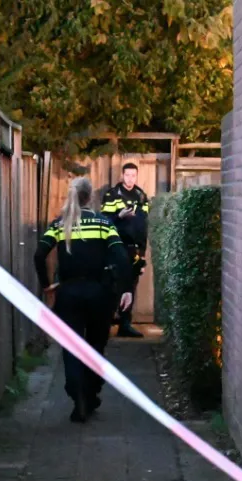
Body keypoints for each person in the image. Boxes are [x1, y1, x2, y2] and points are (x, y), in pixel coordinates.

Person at [34, 177, 134, 423]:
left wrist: (47, 286)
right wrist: (125, 289)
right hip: (100, 294)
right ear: (91, 197)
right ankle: (90, 394)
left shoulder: (60, 224)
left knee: (71, 347)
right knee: (96, 347)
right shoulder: (103, 223)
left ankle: (77, 393)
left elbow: (39, 254)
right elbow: (121, 257)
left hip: (69, 295)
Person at [101, 162, 149, 338]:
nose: (130, 179)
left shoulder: (141, 196)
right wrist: (119, 216)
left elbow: (143, 227)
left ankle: (125, 324)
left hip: (133, 249)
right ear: (122, 176)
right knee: (113, 283)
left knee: (131, 284)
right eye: (127, 175)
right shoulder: (112, 195)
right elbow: (104, 221)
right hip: (115, 246)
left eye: (133, 175)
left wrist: (142, 255)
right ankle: (106, 322)